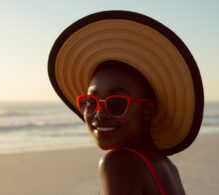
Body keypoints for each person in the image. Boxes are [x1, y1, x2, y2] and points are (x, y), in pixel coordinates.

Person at [48, 11, 204, 195]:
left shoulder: (118, 163)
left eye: (116, 103)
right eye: (91, 102)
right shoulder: (166, 166)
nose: (99, 113)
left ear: (148, 110)